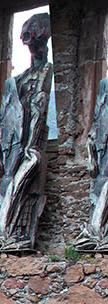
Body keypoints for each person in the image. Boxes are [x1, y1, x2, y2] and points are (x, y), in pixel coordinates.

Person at [0, 12, 53, 253]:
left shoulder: (46, 72)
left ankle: (8, 234)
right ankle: (2, 233)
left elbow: (39, 111)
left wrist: (31, 147)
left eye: (34, 40)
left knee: (25, 189)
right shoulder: (18, 80)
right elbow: (7, 116)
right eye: (28, 40)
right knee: (7, 186)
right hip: (12, 146)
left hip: (31, 145)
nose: (30, 47)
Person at [74, 75, 108, 252]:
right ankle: (97, 232)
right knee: (98, 192)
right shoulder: (102, 104)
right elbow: (92, 133)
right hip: (102, 152)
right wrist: (92, 158)